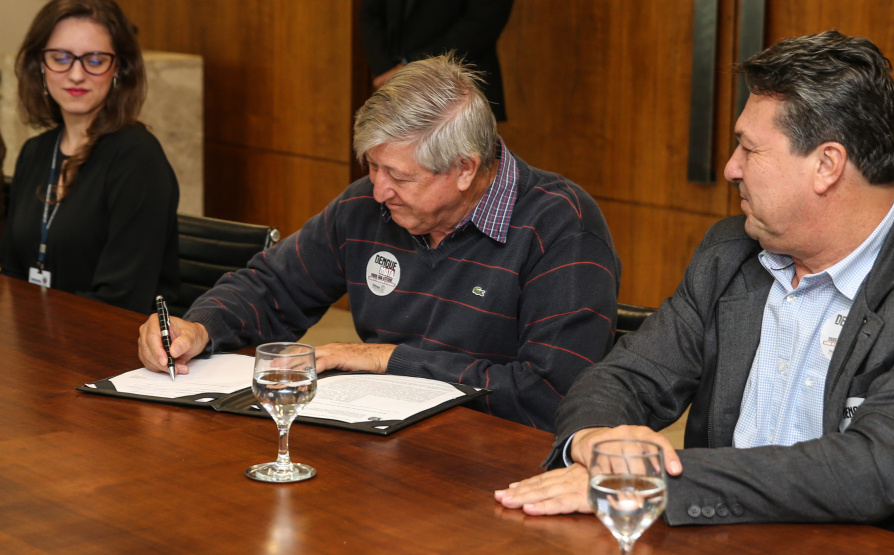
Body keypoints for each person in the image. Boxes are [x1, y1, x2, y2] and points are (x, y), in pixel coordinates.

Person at [495, 30, 894, 536]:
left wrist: (648, 482)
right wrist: (595, 439)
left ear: (827, 165)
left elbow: (871, 469)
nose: (730, 168)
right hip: (715, 538)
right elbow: (625, 377)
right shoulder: (731, 250)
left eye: (748, 148)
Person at [137, 54, 620, 432]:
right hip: (380, 443)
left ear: (465, 169)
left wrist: (391, 360)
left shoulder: (562, 228)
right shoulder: (369, 209)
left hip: (499, 464)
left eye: (399, 175)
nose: (378, 189)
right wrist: (199, 327)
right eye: (372, 166)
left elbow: (552, 394)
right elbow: (272, 285)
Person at [0, 0, 179, 314]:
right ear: (40, 65)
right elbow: (13, 275)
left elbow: (121, 301)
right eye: (60, 58)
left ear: (118, 69)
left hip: (110, 348)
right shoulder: (35, 151)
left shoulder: (138, 159)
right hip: (36, 342)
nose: (76, 74)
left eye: (94, 60)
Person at [360, 0, 514, 121]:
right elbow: (370, 12)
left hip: (458, 87)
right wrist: (385, 69)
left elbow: (483, 23)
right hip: (391, 85)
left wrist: (410, 67)